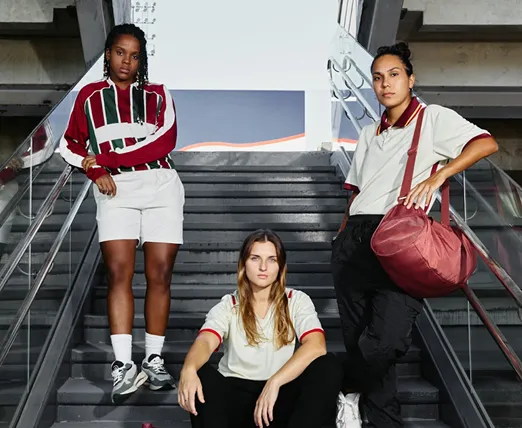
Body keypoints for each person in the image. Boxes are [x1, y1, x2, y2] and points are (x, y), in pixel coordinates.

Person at [332, 42, 498, 428]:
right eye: (378, 78)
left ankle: (345, 387)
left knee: (386, 340)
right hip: (354, 241)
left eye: (394, 75)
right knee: (359, 338)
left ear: (410, 79)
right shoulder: (368, 133)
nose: (385, 84)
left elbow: (486, 143)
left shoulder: (432, 118)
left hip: (399, 238)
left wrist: (440, 175)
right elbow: (356, 191)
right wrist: (342, 237)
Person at [59, 23, 184, 403]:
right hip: (115, 189)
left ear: (141, 60)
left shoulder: (158, 94)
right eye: (119, 52)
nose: (126, 61)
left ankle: (154, 360)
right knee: (118, 273)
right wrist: (95, 171)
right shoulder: (89, 97)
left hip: (161, 186)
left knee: (160, 274)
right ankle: (123, 366)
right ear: (108, 55)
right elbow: (69, 144)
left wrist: (106, 159)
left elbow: (164, 141)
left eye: (134, 55)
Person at [178, 229, 343, 428]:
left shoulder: (296, 300)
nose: (263, 267)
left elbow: (316, 345)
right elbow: (205, 341)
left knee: (328, 366)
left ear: (280, 266)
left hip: (278, 398)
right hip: (236, 400)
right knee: (201, 373)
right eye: (255, 258)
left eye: (272, 260)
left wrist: (275, 382)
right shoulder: (228, 305)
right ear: (243, 264)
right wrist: (188, 368)